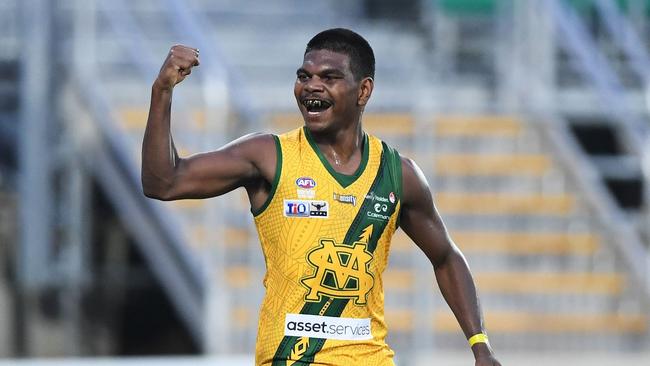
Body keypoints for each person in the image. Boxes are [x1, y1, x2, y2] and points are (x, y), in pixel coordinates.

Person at [142, 28, 502, 366]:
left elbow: (446, 257)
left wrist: (479, 344)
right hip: (289, 357)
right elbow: (163, 182)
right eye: (304, 77)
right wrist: (163, 91)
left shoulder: (398, 174)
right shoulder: (269, 156)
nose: (311, 87)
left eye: (328, 78)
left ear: (363, 91)